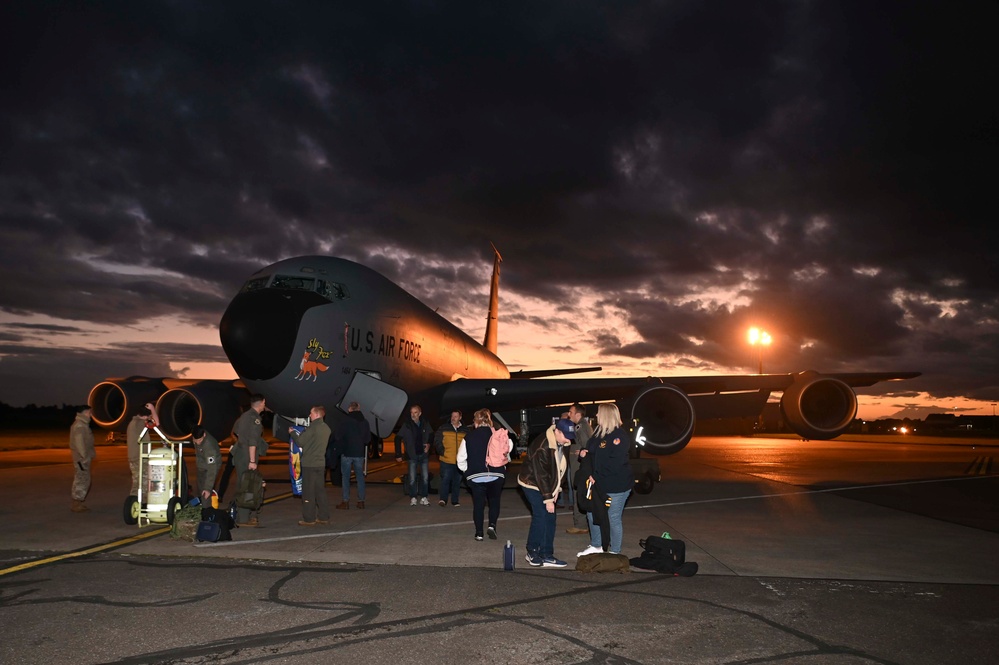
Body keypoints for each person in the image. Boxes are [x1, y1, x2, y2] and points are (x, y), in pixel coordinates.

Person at [576, 403, 635, 557]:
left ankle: (615, 551)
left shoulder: (619, 437)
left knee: (612, 517)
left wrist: (595, 476)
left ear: (606, 415)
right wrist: (584, 453)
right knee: (591, 512)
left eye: (599, 413)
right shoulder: (598, 433)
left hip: (616, 485)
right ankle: (596, 545)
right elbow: (591, 450)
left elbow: (614, 464)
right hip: (598, 483)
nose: (596, 416)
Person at [517, 417, 574, 567]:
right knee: (541, 514)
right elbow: (540, 475)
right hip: (531, 482)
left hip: (547, 484)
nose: (568, 440)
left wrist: (557, 490)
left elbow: (561, 469)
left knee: (550, 517)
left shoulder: (564, 442)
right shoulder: (542, 446)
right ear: (557, 431)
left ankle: (546, 554)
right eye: (566, 436)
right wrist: (548, 499)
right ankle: (532, 551)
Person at [457, 409, 508, 541]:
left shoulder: (469, 437)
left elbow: (460, 458)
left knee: (478, 504)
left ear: (476, 422)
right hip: (496, 474)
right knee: (494, 501)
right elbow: (509, 449)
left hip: (476, 475)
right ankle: (492, 525)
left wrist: (466, 471)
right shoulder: (497, 434)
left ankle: (479, 533)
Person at [289, 405, 332, 526]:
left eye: (311, 413)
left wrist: (293, 433)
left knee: (308, 492)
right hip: (320, 464)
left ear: (317, 414)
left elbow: (300, 442)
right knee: (320, 491)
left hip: (309, 464)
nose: (309, 416)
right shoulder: (326, 428)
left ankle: (309, 518)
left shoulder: (312, 428)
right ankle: (324, 516)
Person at [231, 394, 268, 526]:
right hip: (248, 454)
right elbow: (253, 442)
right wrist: (252, 461)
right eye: (264, 403)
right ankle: (244, 519)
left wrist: (242, 440)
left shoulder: (244, 416)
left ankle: (242, 517)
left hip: (240, 453)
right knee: (249, 486)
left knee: (242, 484)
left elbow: (236, 430)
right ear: (262, 402)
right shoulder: (255, 419)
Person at [395, 404, 433, 506]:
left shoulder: (425, 423)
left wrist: (429, 444)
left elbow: (431, 434)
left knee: (425, 478)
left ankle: (424, 497)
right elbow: (397, 438)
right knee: (412, 479)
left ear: (420, 413)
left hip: (423, 455)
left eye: (415, 412)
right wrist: (398, 454)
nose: (413, 415)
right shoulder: (407, 425)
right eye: (411, 412)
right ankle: (413, 497)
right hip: (412, 456)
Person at [565, 403, 593, 534]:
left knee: (579, 493)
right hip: (577, 464)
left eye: (571, 412)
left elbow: (587, 445)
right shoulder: (580, 426)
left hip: (579, 466)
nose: (569, 414)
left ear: (578, 414)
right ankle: (581, 523)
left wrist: (582, 451)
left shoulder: (581, 427)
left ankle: (580, 524)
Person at [335, 401, 370, 509]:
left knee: (345, 477)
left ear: (349, 409)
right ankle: (361, 501)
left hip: (346, 452)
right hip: (359, 453)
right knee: (360, 477)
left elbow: (337, 436)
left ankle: (345, 502)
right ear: (358, 409)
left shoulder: (344, 421)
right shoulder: (364, 422)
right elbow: (367, 439)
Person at [434, 410, 467, 507]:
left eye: (455, 416)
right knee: (445, 480)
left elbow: (468, 443)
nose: (453, 418)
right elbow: (437, 441)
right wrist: (442, 452)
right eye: (452, 416)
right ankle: (443, 499)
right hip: (447, 459)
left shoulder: (465, 430)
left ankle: (455, 500)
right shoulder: (443, 428)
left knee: (457, 481)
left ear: (460, 417)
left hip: (459, 460)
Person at [125, 402, 158, 496]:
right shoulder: (139, 423)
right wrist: (152, 409)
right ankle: (138, 503)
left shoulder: (134, 422)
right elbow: (157, 423)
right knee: (142, 483)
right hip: (140, 457)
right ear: (145, 416)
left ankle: (135, 503)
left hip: (135, 456)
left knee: (138, 482)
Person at [69, 406, 96, 512]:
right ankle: (76, 503)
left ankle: (78, 502)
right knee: (82, 479)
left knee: (84, 479)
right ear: (85, 413)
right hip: (81, 459)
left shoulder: (82, 424)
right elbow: (79, 442)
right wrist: (84, 456)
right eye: (90, 412)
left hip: (83, 457)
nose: (91, 415)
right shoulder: (80, 425)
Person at [191, 425, 221, 503]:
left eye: (200, 440)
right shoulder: (197, 435)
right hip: (202, 465)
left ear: (204, 435)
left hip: (211, 467)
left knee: (205, 492)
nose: (197, 443)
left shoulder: (209, 446)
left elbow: (212, 468)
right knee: (200, 490)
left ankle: (206, 510)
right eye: (195, 440)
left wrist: (208, 488)